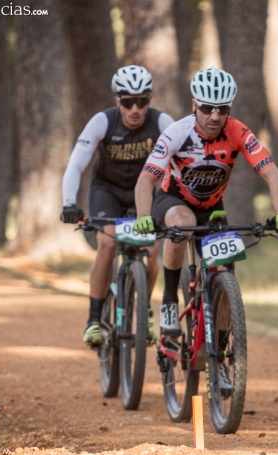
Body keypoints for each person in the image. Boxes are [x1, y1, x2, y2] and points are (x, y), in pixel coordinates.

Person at [134, 67, 278, 337]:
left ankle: (219, 354)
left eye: (222, 109)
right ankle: (170, 301)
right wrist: (142, 215)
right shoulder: (176, 133)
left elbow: (271, 173)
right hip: (173, 199)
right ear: (194, 105)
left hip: (212, 208)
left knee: (223, 274)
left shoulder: (239, 131)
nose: (215, 116)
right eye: (207, 108)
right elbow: (146, 179)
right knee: (183, 225)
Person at [60, 65, 174, 347]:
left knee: (151, 249)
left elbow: (181, 160)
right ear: (117, 101)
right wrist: (68, 203)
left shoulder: (162, 122)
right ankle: (94, 320)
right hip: (107, 190)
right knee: (108, 244)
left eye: (142, 101)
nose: (135, 109)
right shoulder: (102, 122)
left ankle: (145, 312)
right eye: (127, 102)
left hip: (143, 192)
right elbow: (76, 163)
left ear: (149, 100)